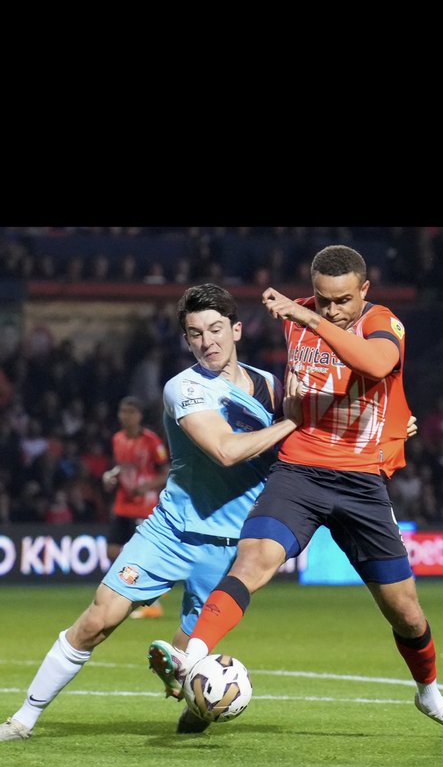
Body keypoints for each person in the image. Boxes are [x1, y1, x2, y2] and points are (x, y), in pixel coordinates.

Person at [150, 245, 443, 741]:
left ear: (364, 291)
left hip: (361, 483)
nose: (331, 309)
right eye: (322, 300)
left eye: (342, 300)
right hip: (301, 471)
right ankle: (191, 658)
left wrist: (311, 323)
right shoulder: (298, 317)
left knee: (405, 611)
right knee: (252, 562)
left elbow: (378, 365)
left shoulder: (381, 322)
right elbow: (302, 390)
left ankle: (431, 697)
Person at [0, 283, 305, 742]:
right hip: (170, 531)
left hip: (229, 548)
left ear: (237, 330)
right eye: (196, 333)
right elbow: (225, 450)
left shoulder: (272, 387)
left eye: (217, 329)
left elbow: (320, 435)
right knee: (98, 619)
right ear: (186, 339)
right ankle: (22, 719)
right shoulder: (183, 388)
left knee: (189, 658)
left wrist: (390, 432)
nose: (208, 342)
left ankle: (194, 708)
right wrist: (292, 421)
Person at [102, 394, 169, 619]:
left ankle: (151, 601)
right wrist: (110, 476)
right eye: (123, 411)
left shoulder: (152, 441)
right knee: (112, 550)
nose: (126, 416)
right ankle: (138, 587)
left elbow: (166, 472)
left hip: (144, 506)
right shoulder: (117, 439)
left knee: (137, 555)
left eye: (131, 412)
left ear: (140, 416)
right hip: (123, 504)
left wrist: (147, 486)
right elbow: (121, 467)